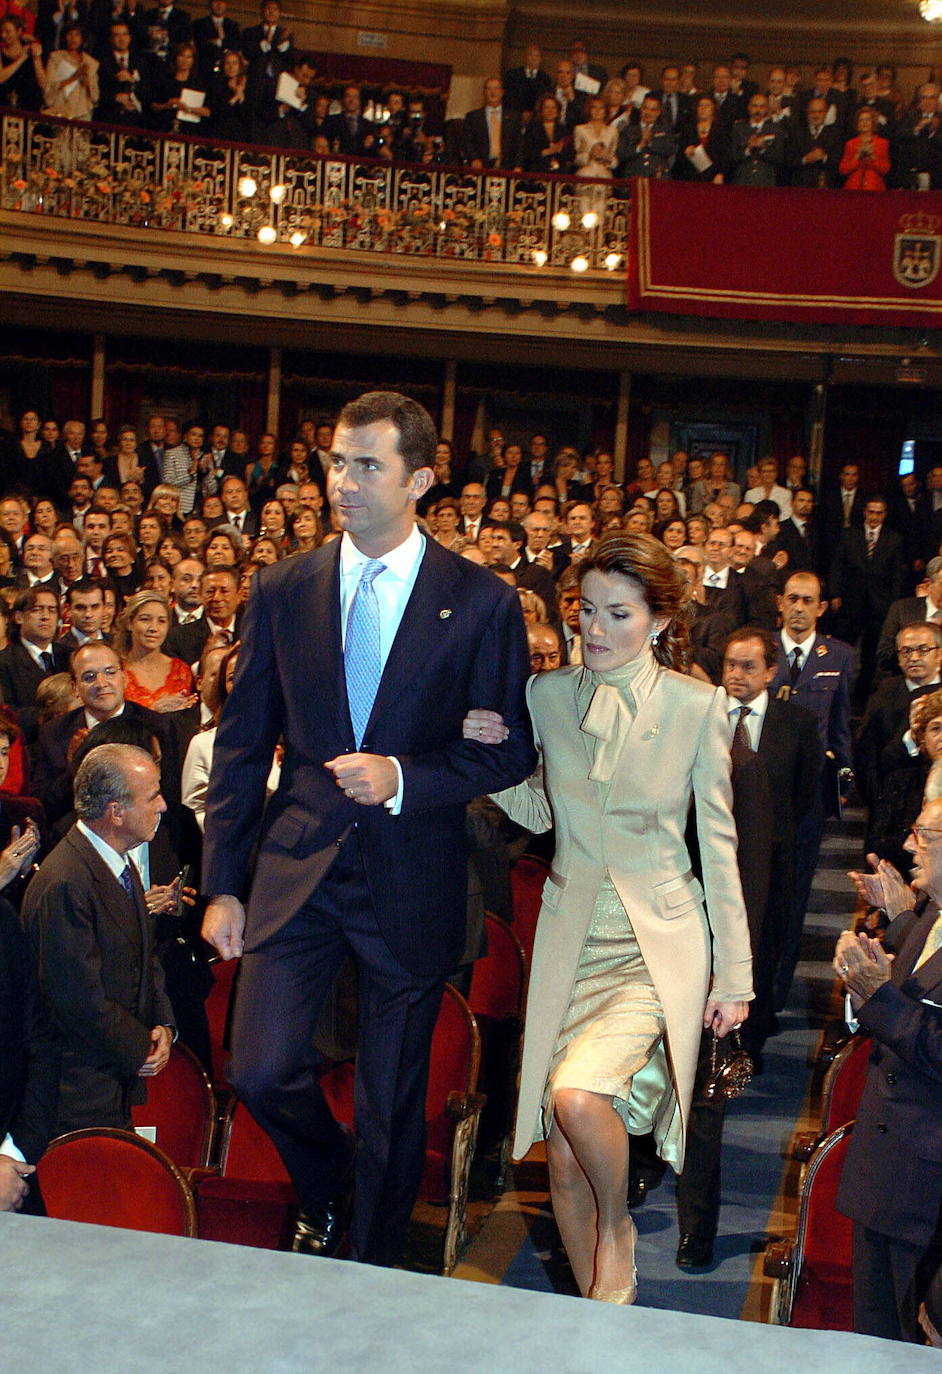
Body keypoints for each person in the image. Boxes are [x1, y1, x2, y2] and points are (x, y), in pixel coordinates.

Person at [200, 390, 536, 1268]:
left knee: (394, 1102)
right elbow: (240, 749)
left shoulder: (484, 602)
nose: (341, 482)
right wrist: (223, 883)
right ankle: (331, 1181)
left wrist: (403, 777)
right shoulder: (283, 587)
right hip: (298, 860)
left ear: (420, 478)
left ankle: (378, 1270)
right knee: (260, 1068)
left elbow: (507, 756)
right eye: (336, 462)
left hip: (412, 866)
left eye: (366, 466)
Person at [465, 532, 752, 1303]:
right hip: (567, 938)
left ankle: (618, 1234)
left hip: (656, 942)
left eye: (616, 613)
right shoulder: (546, 696)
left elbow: (720, 849)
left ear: (658, 620)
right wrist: (488, 761)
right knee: (560, 1150)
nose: (594, 629)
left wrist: (737, 977)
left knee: (579, 1097)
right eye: (585, 610)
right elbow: (544, 808)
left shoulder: (698, 706)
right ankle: (600, 1309)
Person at [22, 743, 174, 1135]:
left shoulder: (120, 864)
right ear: (116, 811)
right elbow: (78, 1001)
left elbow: (145, 956)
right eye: (152, 795)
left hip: (111, 1086)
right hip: (76, 1096)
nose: (162, 806)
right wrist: (140, 1045)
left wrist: (163, 1027)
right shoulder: (65, 882)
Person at [834, 802, 942, 1340]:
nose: (910, 843)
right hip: (886, 1175)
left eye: (925, 833)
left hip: (929, 1201)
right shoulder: (929, 916)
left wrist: (877, 996)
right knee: (874, 1343)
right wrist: (864, 987)